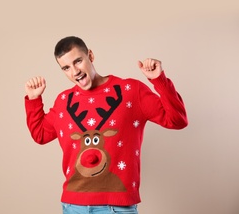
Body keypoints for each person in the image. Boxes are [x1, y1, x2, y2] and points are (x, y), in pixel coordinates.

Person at [24, 36, 188, 214]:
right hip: (73, 207)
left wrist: (159, 80)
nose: (74, 72)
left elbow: (177, 120)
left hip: (117, 207)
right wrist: (34, 99)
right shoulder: (64, 101)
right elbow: (40, 135)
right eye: (66, 68)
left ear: (90, 56)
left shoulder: (131, 91)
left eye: (78, 61)